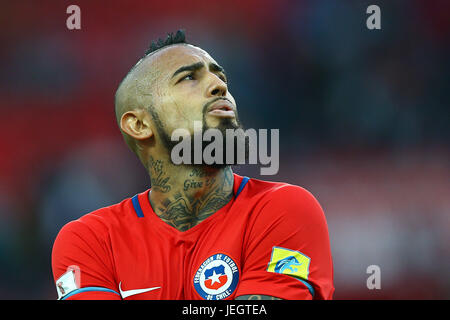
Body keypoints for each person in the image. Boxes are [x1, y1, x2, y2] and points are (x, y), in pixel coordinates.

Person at [51, 30, 334, 300]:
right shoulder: (90, 240)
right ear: (139, 124)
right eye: (189, 77)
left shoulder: (282, 209)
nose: (220, 85)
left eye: (220, 76)